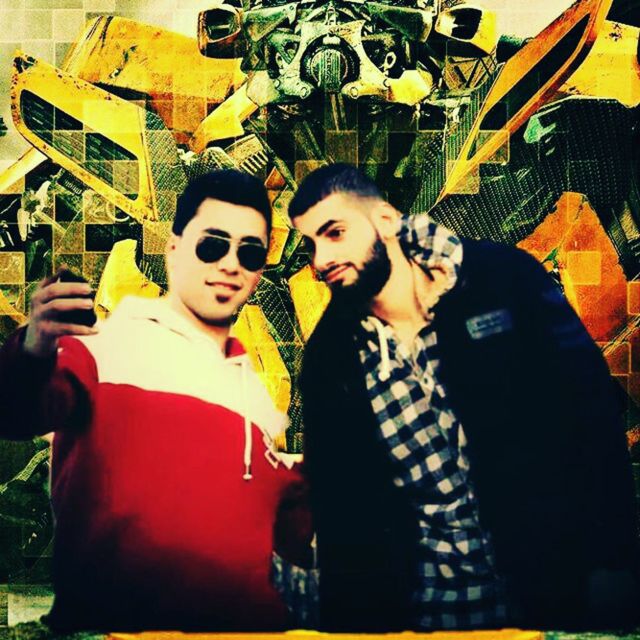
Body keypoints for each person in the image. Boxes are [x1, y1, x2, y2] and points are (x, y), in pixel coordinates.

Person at [288, 163, 640, 632]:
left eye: (335, 233)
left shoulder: (503, 279)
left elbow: (589, 411)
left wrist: (613, 559)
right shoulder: (330, 358)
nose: (321, 259)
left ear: (386, 221)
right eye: (311, 243)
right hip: (436, 613)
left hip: (557, 588)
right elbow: (341, 507)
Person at [0, 169, 312, 632]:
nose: (230, 265)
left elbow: (279, 518)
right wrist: (32, 351)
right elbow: (20, 409)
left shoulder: (248, 392)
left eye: (248, 253)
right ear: (174, 250)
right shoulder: (105, 353)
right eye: (212, 246)